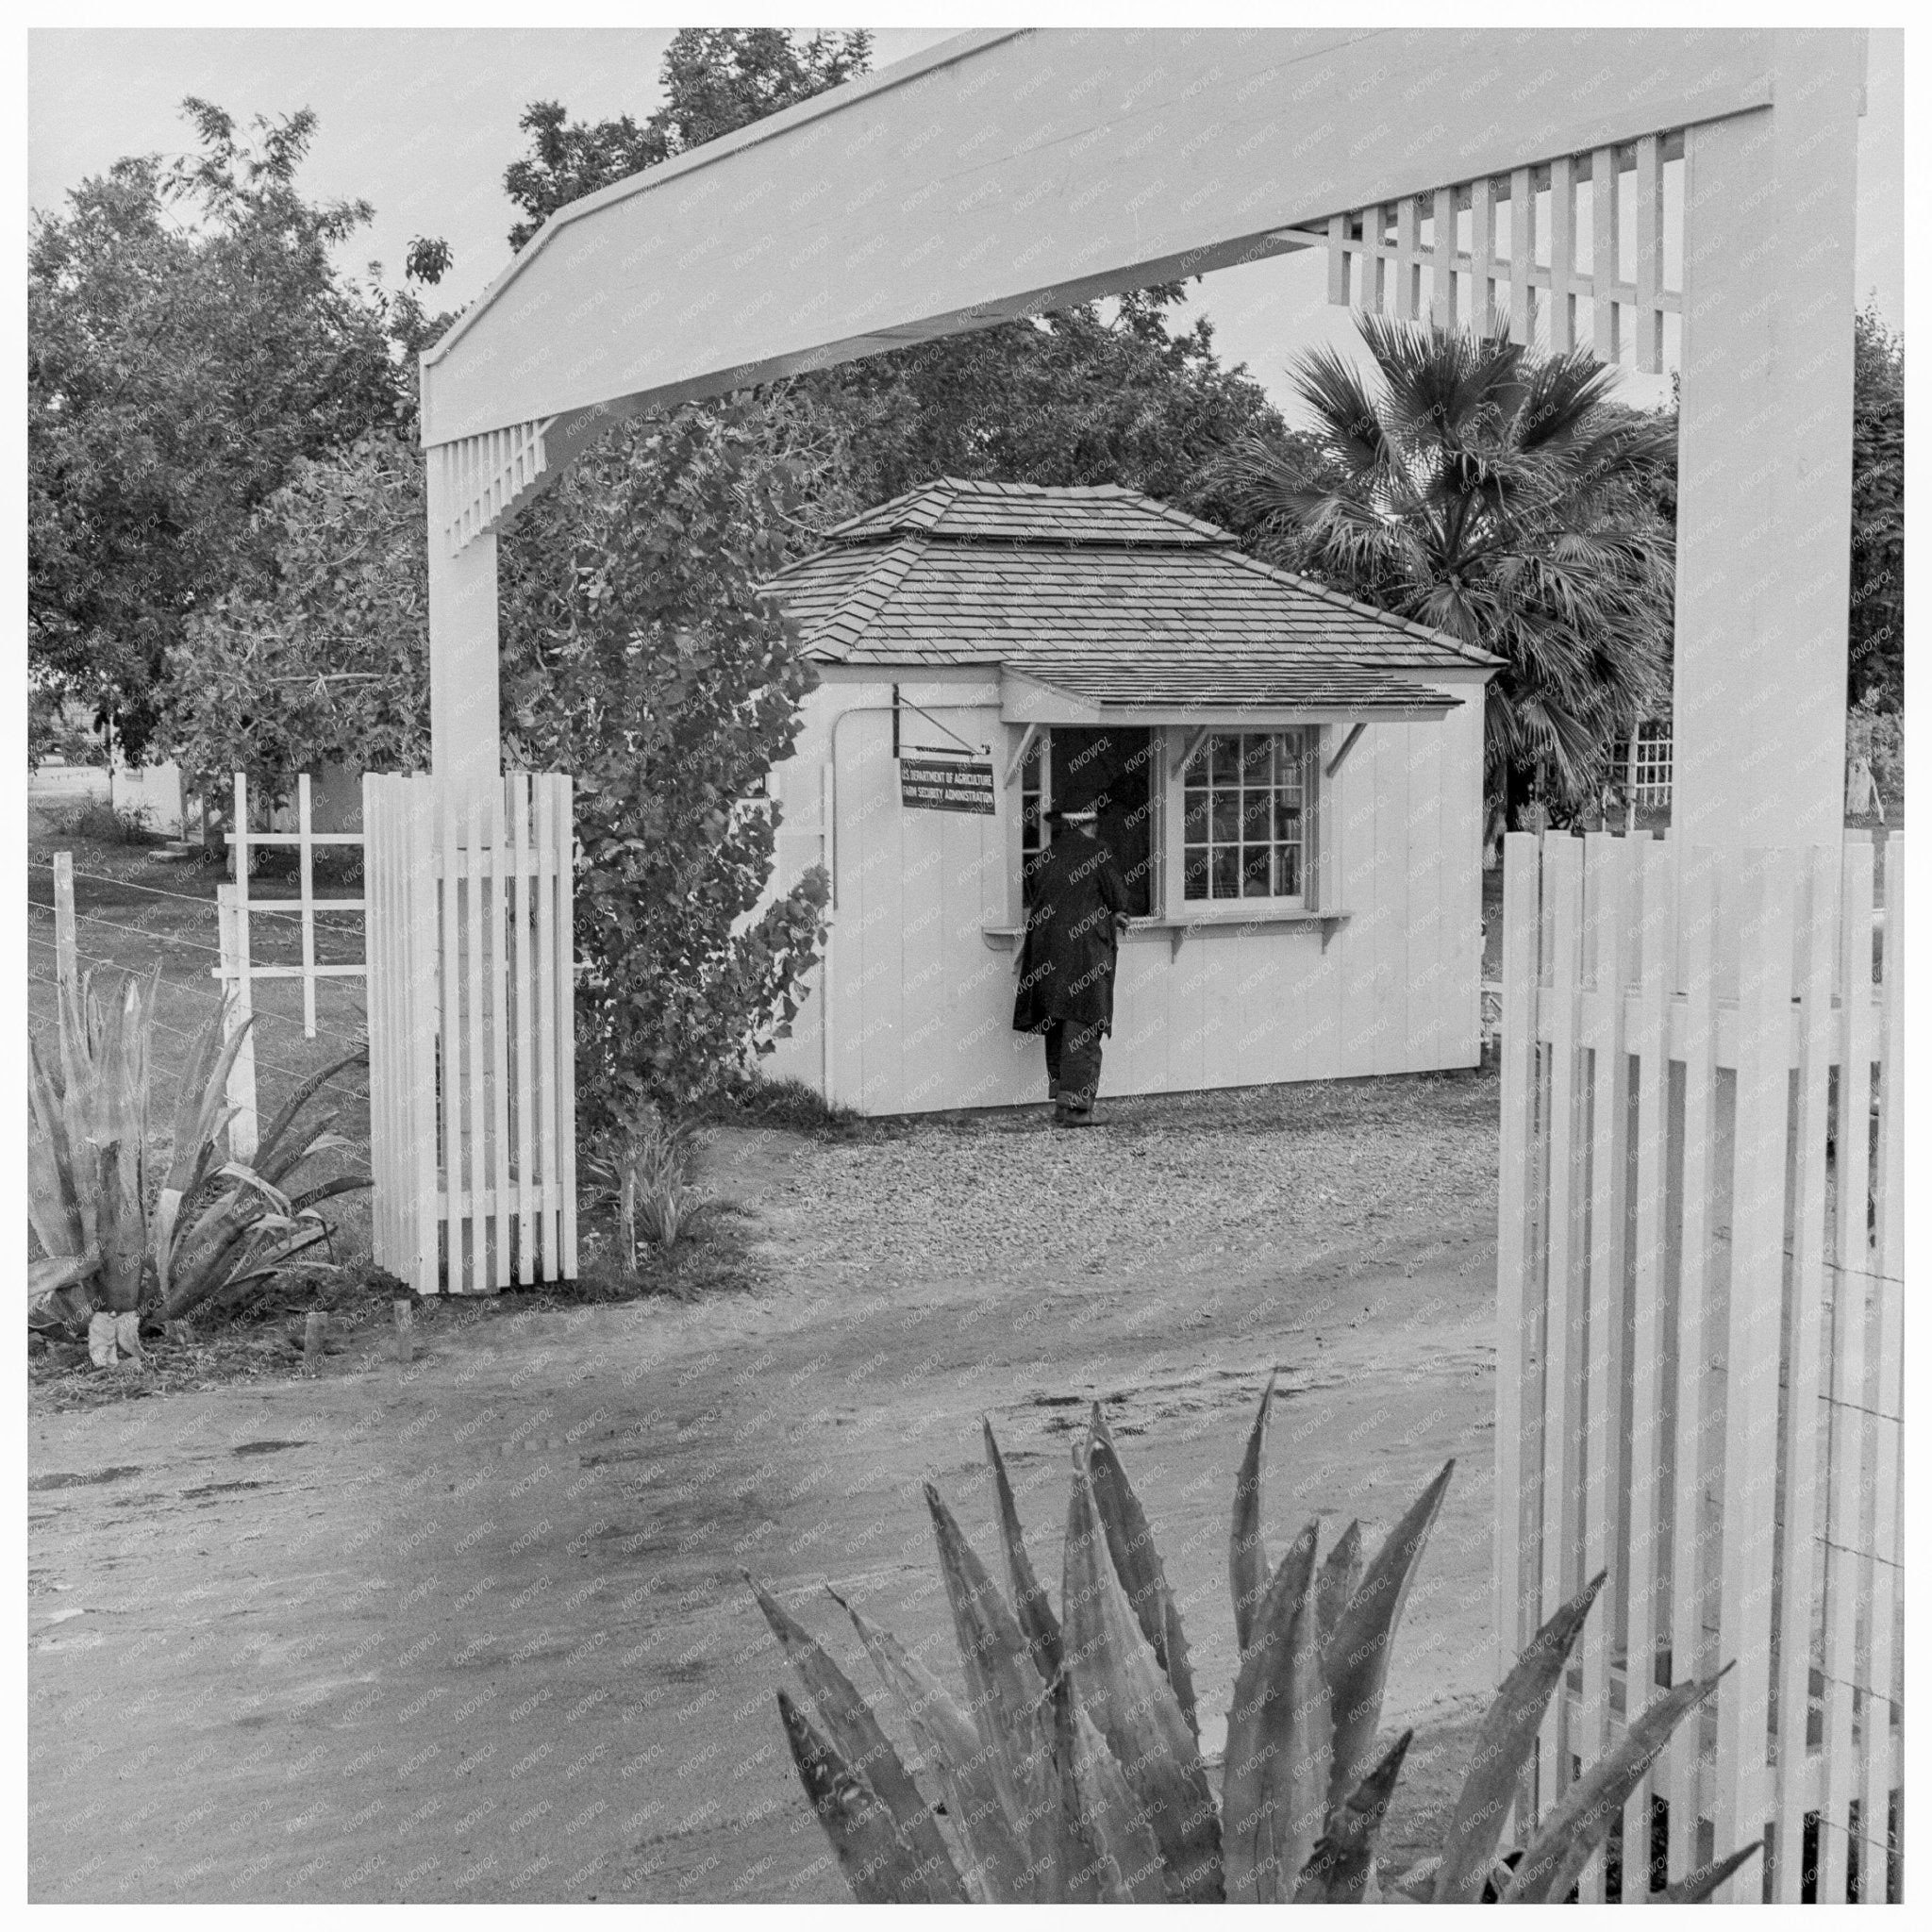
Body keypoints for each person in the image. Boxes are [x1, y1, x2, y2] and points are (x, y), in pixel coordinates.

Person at [1012, 805, 1130, 1126]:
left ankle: (1062, 1104)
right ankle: (1078, 1109)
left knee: (1058, 1022)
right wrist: (1117, 914)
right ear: (1089, 825)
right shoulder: (1099, 853)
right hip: (1086, 957)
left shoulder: (1045, 857)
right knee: (1084, 1024)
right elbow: (1120, 901)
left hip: (1046, 955)